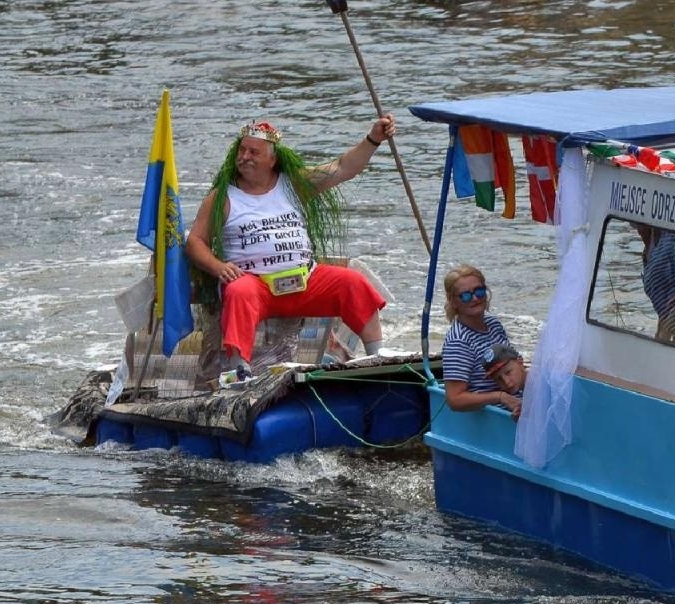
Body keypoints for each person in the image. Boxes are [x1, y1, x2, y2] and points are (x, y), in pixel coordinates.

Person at [185, 116, 396, 375]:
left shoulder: (294, 183)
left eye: (254, 152)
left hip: (306, 280)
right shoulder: (222, 196)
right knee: (238, 292)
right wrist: (218, 267)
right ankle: (239, 370)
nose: (245, 157)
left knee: (353, 283)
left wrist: (374, 139)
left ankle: (378, 355)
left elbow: (343, 167)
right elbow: (195, 241)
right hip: (256, 284)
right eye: (241, 150)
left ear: (272, 159)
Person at [440, 265, 522, 417]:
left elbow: (512, 362)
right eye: (465, 295)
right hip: (495, 413)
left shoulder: (493, 324)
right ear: (453, 301)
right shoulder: (458, 341)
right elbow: (455, 399)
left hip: (516, 401)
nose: (475, 298)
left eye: (479, 291)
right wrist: (501, 397)